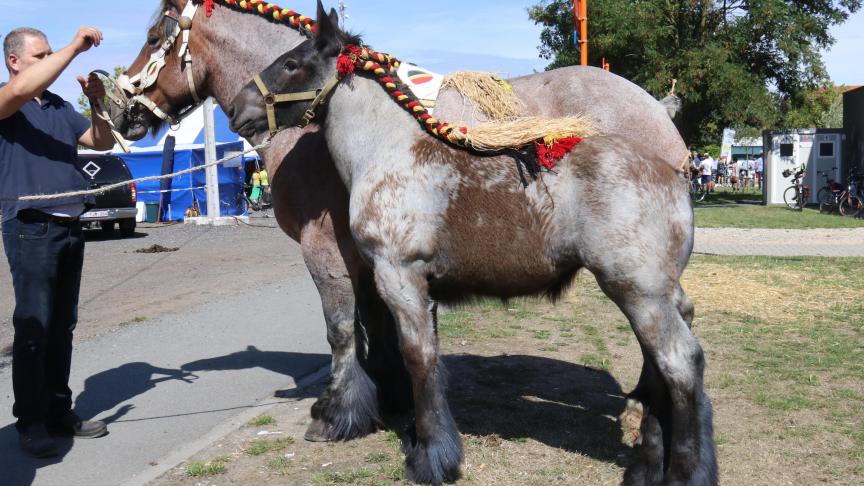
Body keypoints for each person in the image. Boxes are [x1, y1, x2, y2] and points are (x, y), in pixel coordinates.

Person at [1, 26, 115, 457]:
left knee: (62, 326)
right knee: (34, 327)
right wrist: (72, 48)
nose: (50, 60)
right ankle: (30, 421)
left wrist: (97, 103)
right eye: (41, 55)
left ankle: (57, 410)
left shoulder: (58, 106)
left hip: (70, 227)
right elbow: (21, 90)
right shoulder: (7, 100)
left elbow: (101, 142)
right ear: (13, 61)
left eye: (51, 53)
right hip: (30, 227)